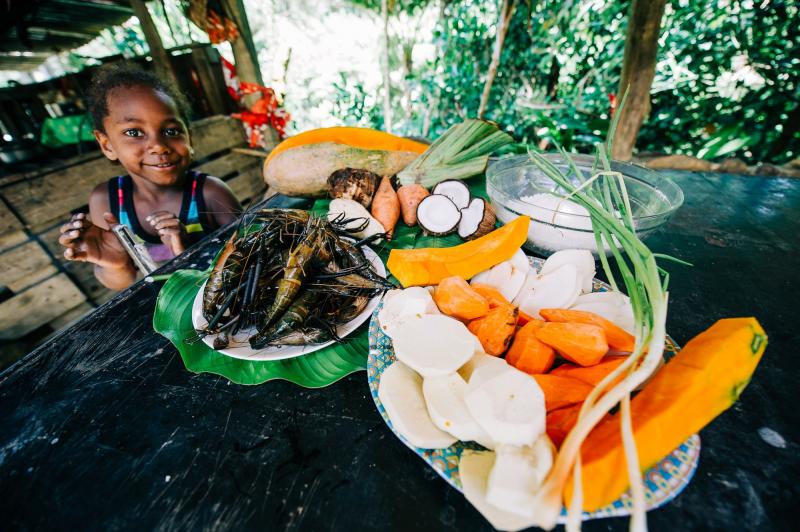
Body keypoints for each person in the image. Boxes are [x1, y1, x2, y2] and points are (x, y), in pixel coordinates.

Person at [59, 64, 242, 290]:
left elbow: (251, 258)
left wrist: (185, 252)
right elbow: (121, 282)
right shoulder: (107, 202)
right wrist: (116, 265)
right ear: (106, 144)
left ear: (189, 137)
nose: (158, 146)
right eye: (134, 133)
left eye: (171, 131)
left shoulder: (211, 194)